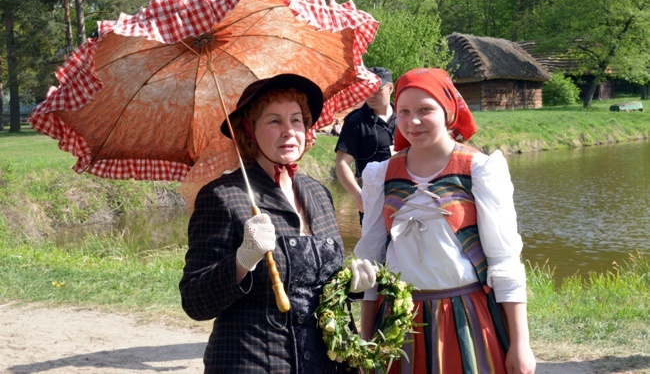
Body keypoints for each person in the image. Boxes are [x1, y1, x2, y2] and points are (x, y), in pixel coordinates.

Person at [179, 74, 377, 374]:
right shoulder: (223, 197)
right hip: (252, 362)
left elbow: (318, 282)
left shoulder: (318, 193)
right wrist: (242, 260)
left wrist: (350, 285)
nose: (288, 131)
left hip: (324, 363)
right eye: (274, 121)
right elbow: (195, 300)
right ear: (249, 131)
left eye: (296, 120)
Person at [354, 68, 536, 374]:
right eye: (404, 111)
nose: (413, 121)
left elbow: (504, 261)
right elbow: (371, 261)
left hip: (465, 318)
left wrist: (520, 344)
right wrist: (366, 335)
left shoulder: (479, 170)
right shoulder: (380, 175)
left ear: (448, 110)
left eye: (426, 110)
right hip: (397, 322)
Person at [334, 66, 396, 222]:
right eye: (368, 89)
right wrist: (357, 195)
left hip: (405, 196)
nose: (371, 95)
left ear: (390, 88)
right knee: (376, 246)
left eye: (377, 90)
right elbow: (342, 163)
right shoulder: (355, 121)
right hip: (372, 199)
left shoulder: (405, 116)